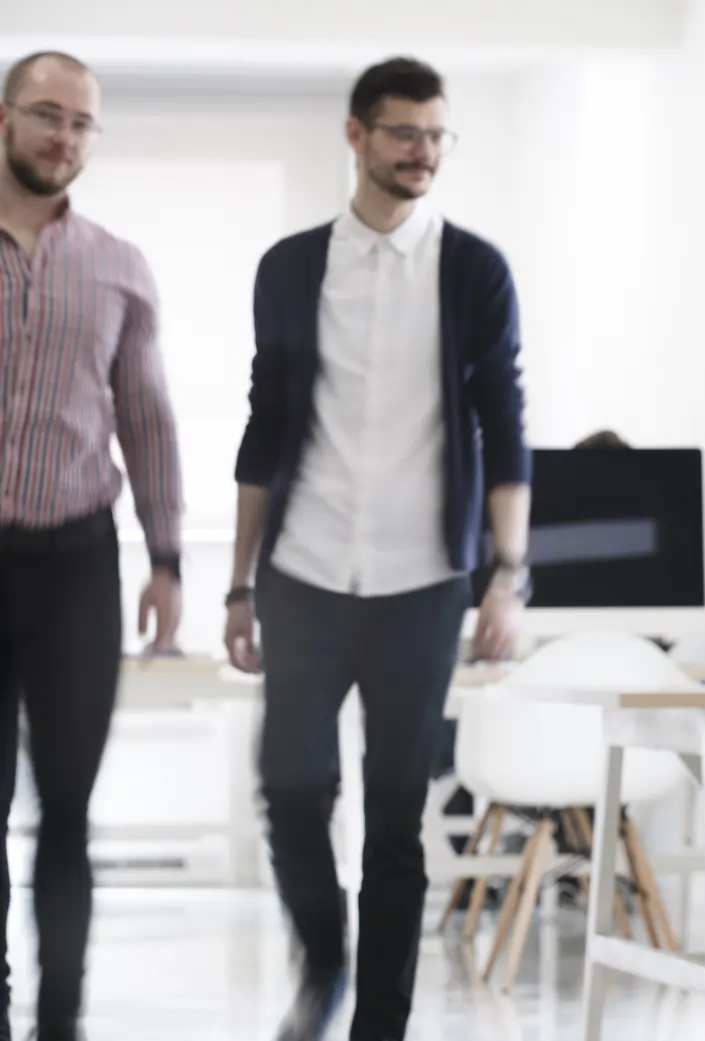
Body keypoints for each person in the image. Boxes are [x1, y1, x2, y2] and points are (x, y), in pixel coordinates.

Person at [225, 56, 531, 1041]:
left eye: (438, 135)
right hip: (304, 571)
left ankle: (380, 1027)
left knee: (396, 818)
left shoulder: (474, 268)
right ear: (356, 135)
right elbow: (263, 428)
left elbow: (506, 422)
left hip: (421, 582)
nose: (423, 152)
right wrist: (236, 584)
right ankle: (323, 960)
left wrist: (507, 579)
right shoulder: (290, 266)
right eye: (404, 133)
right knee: (289, 786)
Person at [0, 51, 184, 1041]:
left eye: (80, 124)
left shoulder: (118, 265)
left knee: (67, 808)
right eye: (46, 115)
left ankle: (59, 1021)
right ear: (3, 119)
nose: (63, 138)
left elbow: (147, 419)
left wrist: (168, 556)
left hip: (75, 564)